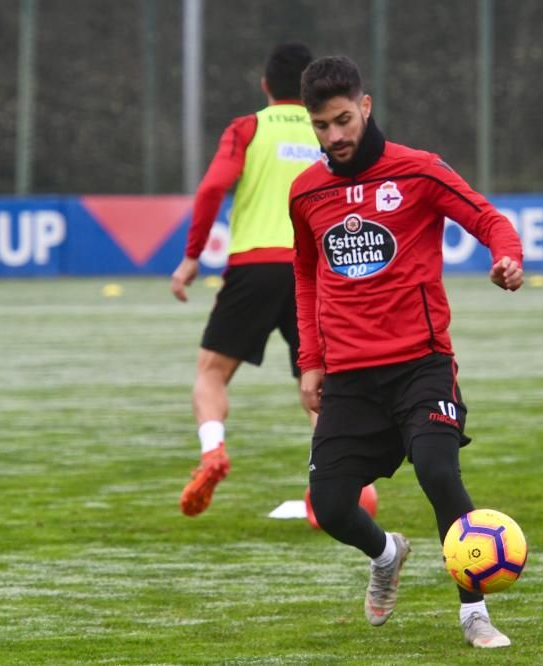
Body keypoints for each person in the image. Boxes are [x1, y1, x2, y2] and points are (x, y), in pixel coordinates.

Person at [289, 55, 524, 649]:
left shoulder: (418, 171)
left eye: (344, 119)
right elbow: (308, 273)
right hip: (349, 378)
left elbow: (489, 218)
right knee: (331, 507)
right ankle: (386, 552)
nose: (335, 135)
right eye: (322, 126)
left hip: (421, 365)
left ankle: (474, 613)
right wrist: (310, 360)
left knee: (439, 471)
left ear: (365, 107)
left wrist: (508, 257)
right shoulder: (307, 192)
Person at [170, 42, 319, 517]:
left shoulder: (248, 128)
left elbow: (214, 186)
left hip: (254, 268)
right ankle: (334, 486)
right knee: (318, 385)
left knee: (212, 372)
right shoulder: (330, 129)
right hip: (313, 273)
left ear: (265, 86)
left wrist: (192, 256)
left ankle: (213, 449)